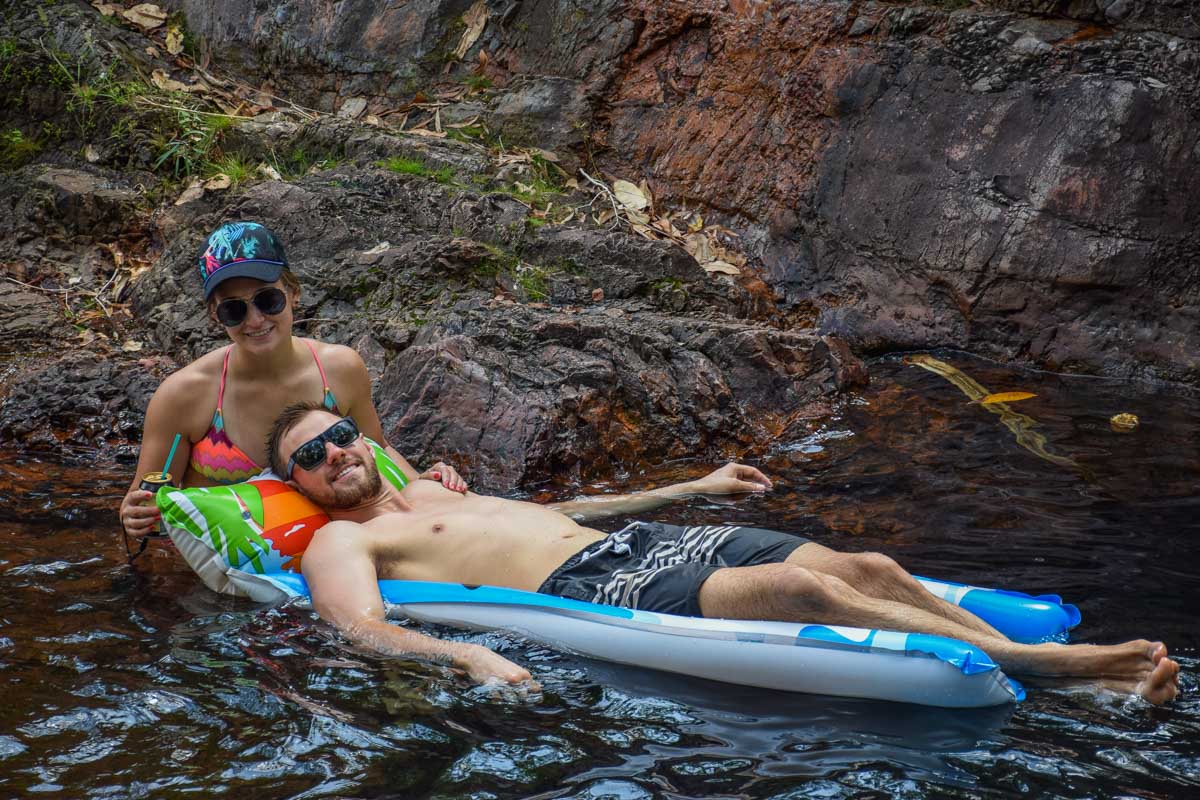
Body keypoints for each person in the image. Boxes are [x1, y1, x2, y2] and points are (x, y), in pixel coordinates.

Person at [269, 402, 1181, 705]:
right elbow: (359, 626)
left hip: (635, 539)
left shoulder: (437, 488)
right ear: (299, 487)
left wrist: (692, 486)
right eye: (309, 455)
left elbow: (565, 509)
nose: (335, 452)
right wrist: (467, 654)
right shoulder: (346, 539)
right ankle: (1051, 668)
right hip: (593, 584)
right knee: (795, 587)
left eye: (340, 432)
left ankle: (1054, 670)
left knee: (865, 568)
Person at [119, 221, 467, 540]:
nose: (255, 320)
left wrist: (423, 484)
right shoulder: (185, 396)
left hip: (342, 552)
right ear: (214, 315)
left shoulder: (339, 369)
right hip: (240, 577)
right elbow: (146, 500)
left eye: (268, 300)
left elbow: (377, 449)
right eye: (233, 309)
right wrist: (135, 517)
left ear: (293, 293)